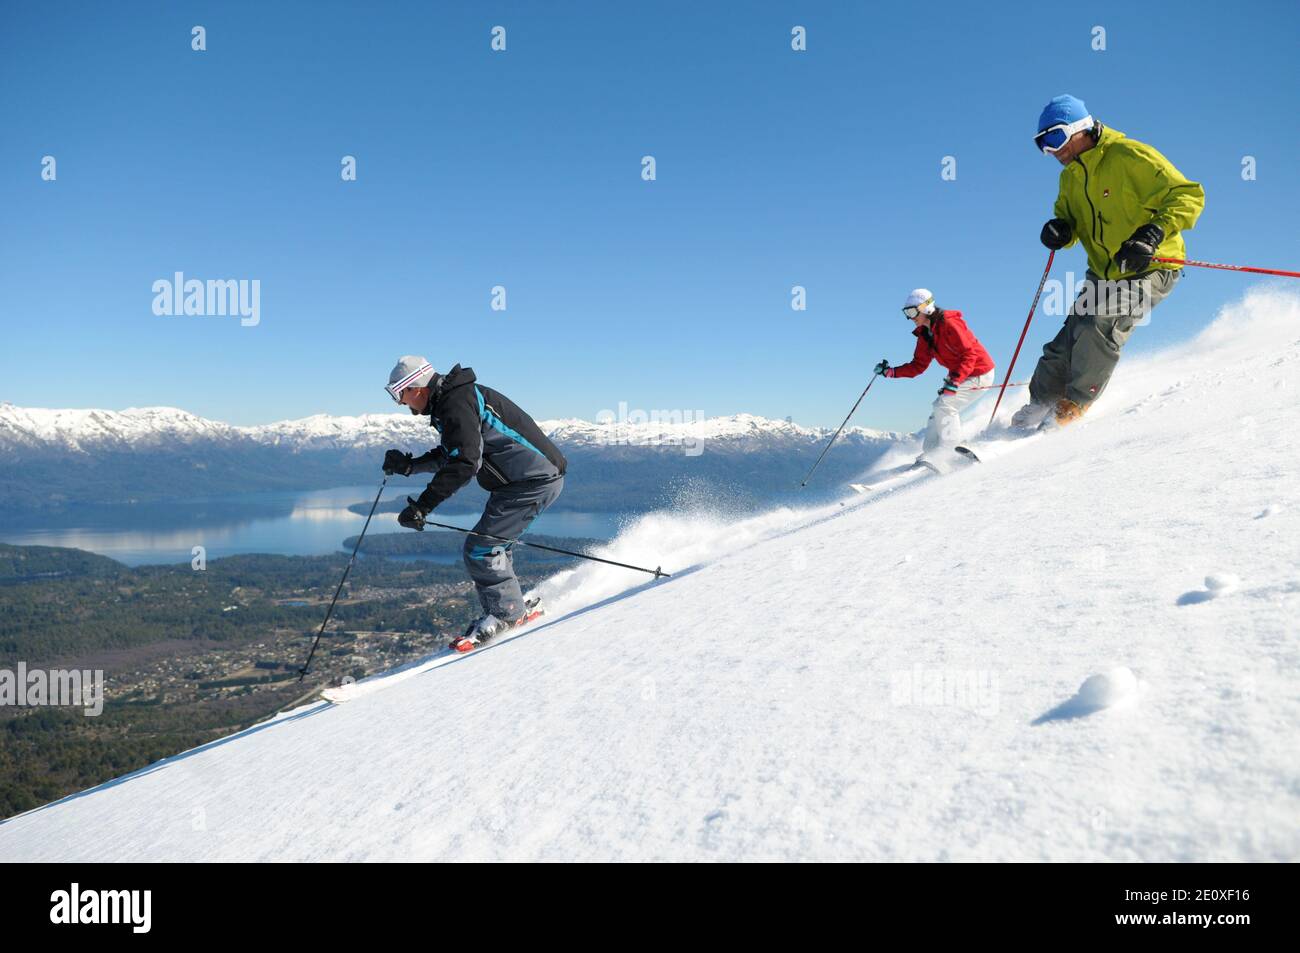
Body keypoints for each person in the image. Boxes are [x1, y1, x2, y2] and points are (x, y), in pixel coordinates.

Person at [1012, 94, 1204, 429]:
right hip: (1103, 272)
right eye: (1041, 144)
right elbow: (1067, 219)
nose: (1050, 151)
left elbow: (1187, 194)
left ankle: (1073, 406)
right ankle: (1039, 405)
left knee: (1097, 324)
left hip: (1150, 266)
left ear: (1080, 128)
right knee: (1063, 344)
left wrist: (1152, 234)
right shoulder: (1070, 177)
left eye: (1054, 138)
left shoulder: (1129, 155)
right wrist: (1061, 230)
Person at [381, 356, 567, 651]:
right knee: (493, 546)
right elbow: (453, 453)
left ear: (415, 387)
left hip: (533, 481)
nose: (400, 403)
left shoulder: (455, 403)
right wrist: (410, 466)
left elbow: (465, 463)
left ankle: (508, 616)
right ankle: (512, 606)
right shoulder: (453, 400)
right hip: (519, 483)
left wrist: (423, 506)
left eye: (397, 394)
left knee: (481, 548)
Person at [875, 288, 996, 457]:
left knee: (944, 406)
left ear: (926, 308)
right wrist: (891, 372)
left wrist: (955, 381)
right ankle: (931, 456)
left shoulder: (950, 324)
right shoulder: (925, 335)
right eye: (906, 313)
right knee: (936, 416)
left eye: (911, 312)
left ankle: (949, 453)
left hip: (979, 373)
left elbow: (969, 355)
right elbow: (918, 365)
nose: (910, 318)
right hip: (959, 376)